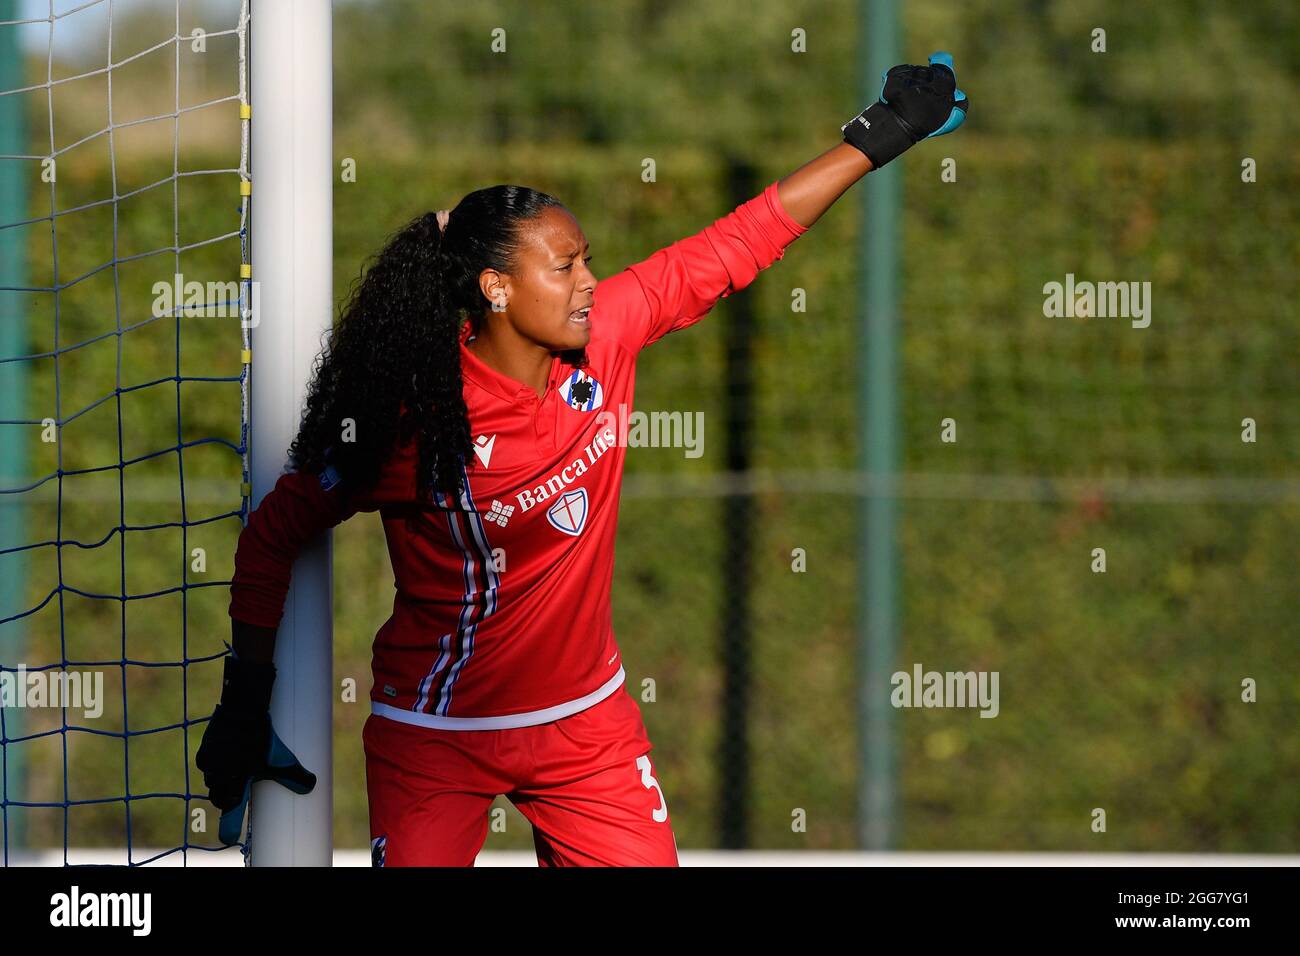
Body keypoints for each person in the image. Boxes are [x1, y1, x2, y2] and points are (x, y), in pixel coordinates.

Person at [196, 54, 968, 866]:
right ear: (495, 288)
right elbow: (274, 533)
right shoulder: (412, 420)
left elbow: (740, 240)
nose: (592, 283)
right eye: (564, 267)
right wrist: (246, 695)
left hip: (585, 729)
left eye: (587, 259)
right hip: (437, 734)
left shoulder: (608, 338)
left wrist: (884, 133)